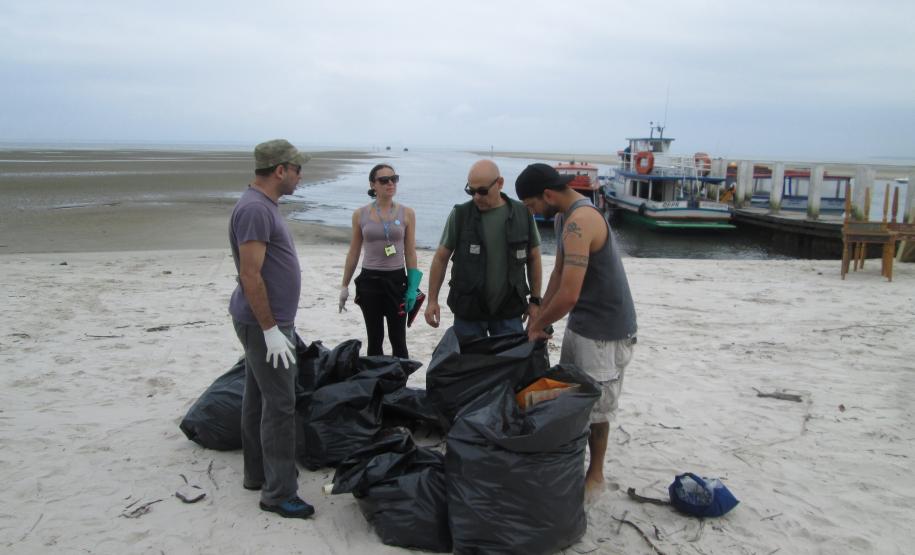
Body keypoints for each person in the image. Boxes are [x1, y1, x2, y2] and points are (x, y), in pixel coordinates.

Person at [515, 163, 637, 505]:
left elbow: (569, 295)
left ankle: (595, 475)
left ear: (548, 195)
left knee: (597, 410)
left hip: (607, 333)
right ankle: (572, 463)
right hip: (582, 325)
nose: (532, 212)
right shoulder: (562, 217)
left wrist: (539, 325)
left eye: (531, 205)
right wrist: (538, 314)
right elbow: (558, 276)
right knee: (573, 397)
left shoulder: (580, 221)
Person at [228, 139, 314, 519]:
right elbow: (250, 274)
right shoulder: (254, 210)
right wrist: (270, 330)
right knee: (280, 404)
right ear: (280, 170)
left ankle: (258, 473)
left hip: (265, 322)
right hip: (266, 323)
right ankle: (278, 493)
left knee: (258, 396)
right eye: (297, 170)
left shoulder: (262, 206)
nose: (300, 177)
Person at [424, 159, 542, 338]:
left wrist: (535, 301)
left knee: (508, 364)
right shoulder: (460, 215)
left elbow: (534, 258)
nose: (476, 197)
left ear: (500, 183)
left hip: (509, 310)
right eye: (471, 191)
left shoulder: (523, 214)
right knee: (470, 365)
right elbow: (441, 258)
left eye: (482, 191)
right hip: (469, 311)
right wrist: (432, 300)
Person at [339, 164, 421, 358]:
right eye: (384, 180)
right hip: (370, 281)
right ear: (373, 184)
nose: (390, 183)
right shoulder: (360, 214)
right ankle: (376, 385)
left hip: (396, 280)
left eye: (394, 179)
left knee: (398, 339)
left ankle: (400, 384)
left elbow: (410, 252)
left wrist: (412, 287)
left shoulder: (407, 213)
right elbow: (354, 251)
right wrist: (344, 285)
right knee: (375, 339)